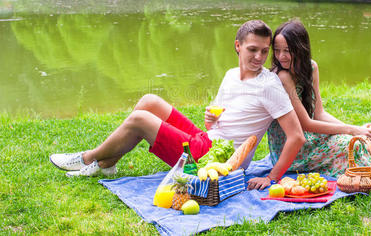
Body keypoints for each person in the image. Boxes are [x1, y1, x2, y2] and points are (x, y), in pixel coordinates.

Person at [50, 20, 306, 190]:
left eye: (264, 51)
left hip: (220, 160)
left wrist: (271, 177)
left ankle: (86, 158)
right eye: (253, 50)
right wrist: (211, 119)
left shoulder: (269, 85)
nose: (259, 57)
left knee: (140, 120)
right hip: (208, 140)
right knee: (149, 102)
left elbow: (296, 136)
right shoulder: (230, 74)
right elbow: (214, 122)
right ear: (237, 46)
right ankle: (107, 164)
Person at [267, 19, 371, 177]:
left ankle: (368, 147)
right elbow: (306, 124)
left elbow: (320, 114)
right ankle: (369, 150)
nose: (281, 56)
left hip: (311, 137)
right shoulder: (282, 76)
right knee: (351, 146)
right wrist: (352, 130)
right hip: (292, 149)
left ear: (301, 48)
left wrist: (354, 131)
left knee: (353, 142)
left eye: (287, 50)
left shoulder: (311, 67)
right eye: (277, 50)